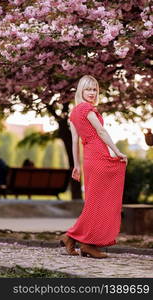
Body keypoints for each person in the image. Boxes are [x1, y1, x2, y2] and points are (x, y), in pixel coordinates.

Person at [60, 75, 127, 258]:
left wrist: (77, 165)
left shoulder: (74, 113)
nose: (91, 93)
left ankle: (85, 243)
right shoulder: (87, 109)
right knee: (99, 202)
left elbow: (75, 141)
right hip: (98, 156)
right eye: (88, 89)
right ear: (81, 91)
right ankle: (73, 237)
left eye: (94, 90)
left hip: (90, 159)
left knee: (94, 201)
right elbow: (101, 131)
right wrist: (117, 151)